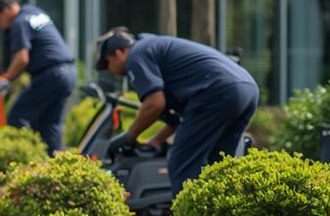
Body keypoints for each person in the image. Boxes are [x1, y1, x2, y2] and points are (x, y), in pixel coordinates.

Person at [95, 27, 258, 195]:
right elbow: (175, 118)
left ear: (120, 52)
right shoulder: (153, 48)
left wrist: (129, 135)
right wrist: (157, 140)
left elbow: (154, 103)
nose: (109, 70)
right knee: (222, 166)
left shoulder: (136, 56)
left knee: (181, 162)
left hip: (218, 91)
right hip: (246, 87)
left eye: (107, 63)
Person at [0, 0, 76, 153]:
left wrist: (7, 79)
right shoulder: (34, 12)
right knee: (50, 124)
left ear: (6, 10)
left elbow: (22, 58)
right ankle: (53, 167)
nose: (1, 25)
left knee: (17, 116)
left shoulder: (19, 23)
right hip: (67, 73)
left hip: (51, 75)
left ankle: (18, 160)